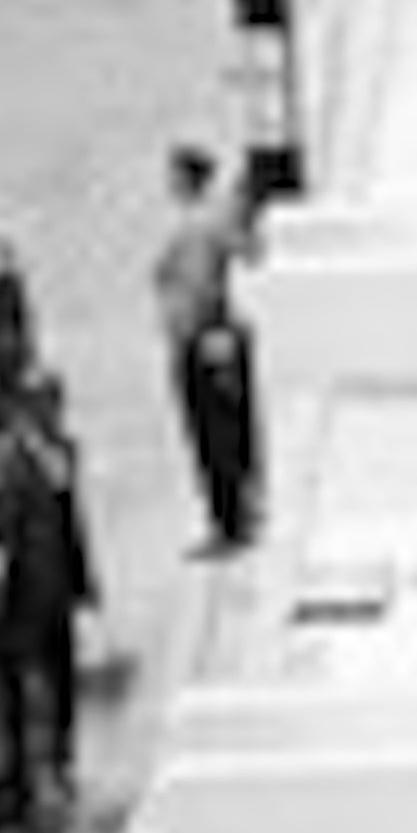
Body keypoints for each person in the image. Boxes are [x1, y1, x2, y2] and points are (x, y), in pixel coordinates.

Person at [155, 141, 261, 554]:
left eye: (174, 175)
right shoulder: (217, 217)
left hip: (201, 339)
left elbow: (197, 288)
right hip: (217, 336)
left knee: (212, 435)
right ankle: (241, 512)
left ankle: (228, 523)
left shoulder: (195, 227)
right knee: (231, 430)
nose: (169, 183)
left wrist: (188, 332)